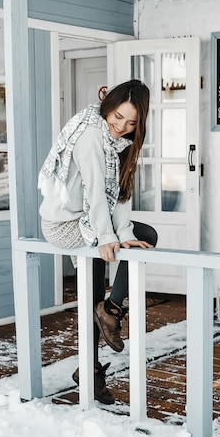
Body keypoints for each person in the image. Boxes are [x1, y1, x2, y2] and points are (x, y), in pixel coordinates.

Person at [38, 80, 157, 405]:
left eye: (131, 123)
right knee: (144, 240)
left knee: (138, 240)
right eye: (117, 117)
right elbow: (94, 192)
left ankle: (89, 368)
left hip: (85, 220)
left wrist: (124, 234)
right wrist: (107, 236)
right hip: (66, 224)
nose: (121, 127)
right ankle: (111, 311)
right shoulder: (92, 135)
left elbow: (118, 195)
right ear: (107, 107)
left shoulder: (116, 144)